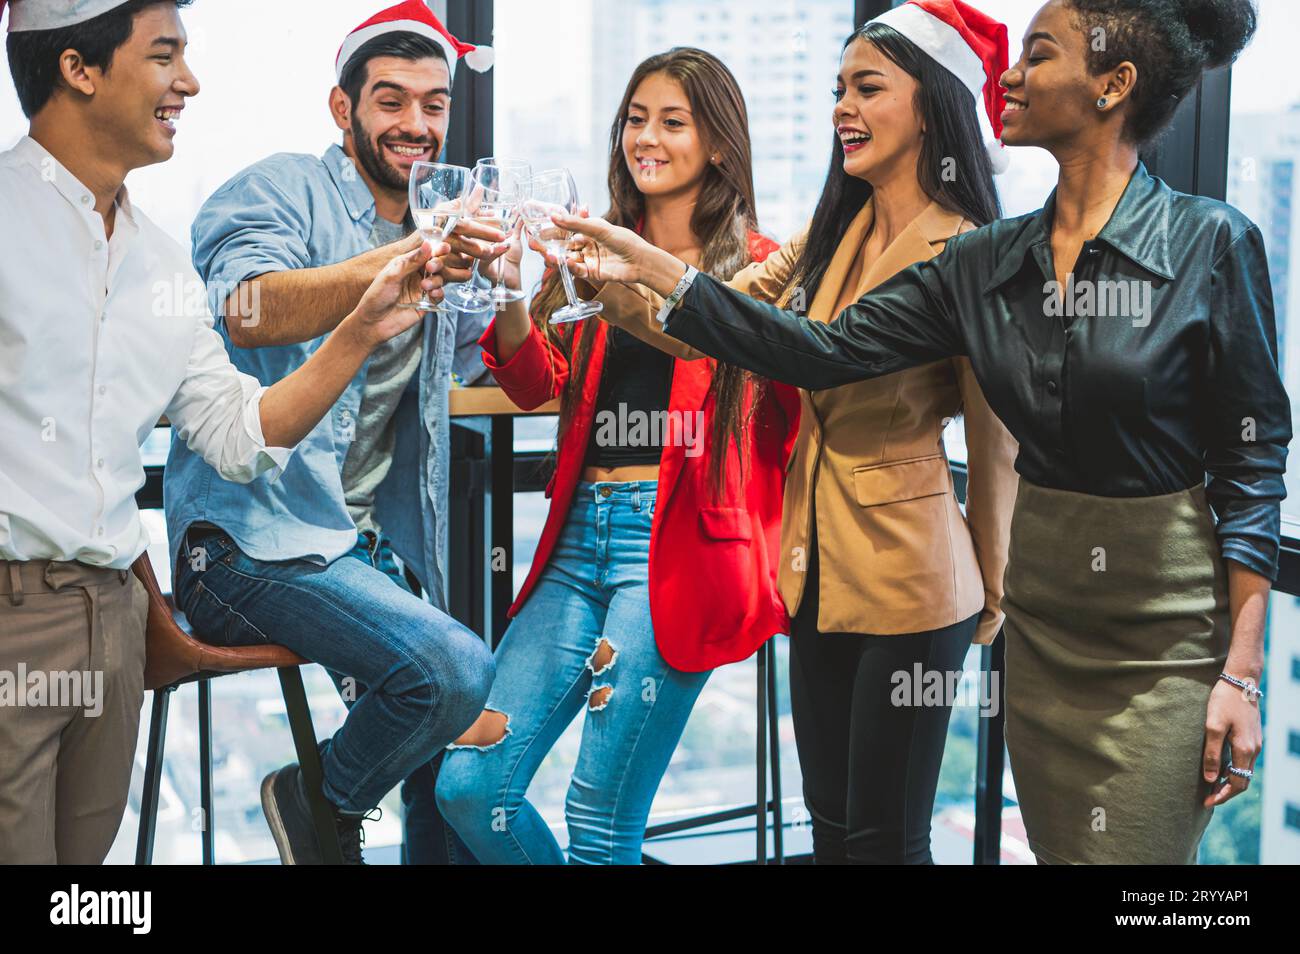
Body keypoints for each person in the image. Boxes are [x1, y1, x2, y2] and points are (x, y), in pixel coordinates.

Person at [550, 0, 1290, 866]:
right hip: (1027, 619)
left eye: (1038, 55)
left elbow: (1243, 459)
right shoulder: (982, 260)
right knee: (894, 839)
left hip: (1147, 625)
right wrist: (629, 271)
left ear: (1112, 86)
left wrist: (1241, 669)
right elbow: (815, 349)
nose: (1007, 75)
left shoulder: (1208, 241)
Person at [0, 0, 450, 864]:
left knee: (82, 875)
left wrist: (359, 327)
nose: (190, 81)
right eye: (165, 55)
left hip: (117, 612)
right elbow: (253, 312)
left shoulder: (158, 262)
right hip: (14, 607)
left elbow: (240, 434)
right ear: (78, 68)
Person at [598, 0, 1019, 864]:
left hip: (916, 578)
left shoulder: (967, 251)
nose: (841, 108)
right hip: (816, 568)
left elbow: (989, 435)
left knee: (885, 841)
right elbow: (716, 327)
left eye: (867, 87)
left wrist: (995, 584)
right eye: (837, 89)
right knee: (830, 832)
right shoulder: (835, 230)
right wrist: (610, 283)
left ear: (933, 105)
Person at [434, 48, 800, 865]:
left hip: (670, 548)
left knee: (600, 825)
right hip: (574, 545)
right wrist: (510, 286)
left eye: (674, 122)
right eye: (636, 119)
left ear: (718, 142)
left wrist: (631, 292)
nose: (647, 137)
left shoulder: (761, 264)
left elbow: (787, 394)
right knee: (468, 785)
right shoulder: (592, 252)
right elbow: (534, 387)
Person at [164, 0, 502, 864]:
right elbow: (247, 308)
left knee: (459, 757)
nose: (416, 124)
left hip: (363, 546)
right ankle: (319, 799)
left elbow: (483, 360)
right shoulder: (278, 188)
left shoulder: (440, 221)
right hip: (244, 548)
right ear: (343, 109)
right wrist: (395, 267)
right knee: (455, 674)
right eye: (391, 101)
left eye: (433, 104)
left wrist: (516, 279)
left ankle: (335, 818)